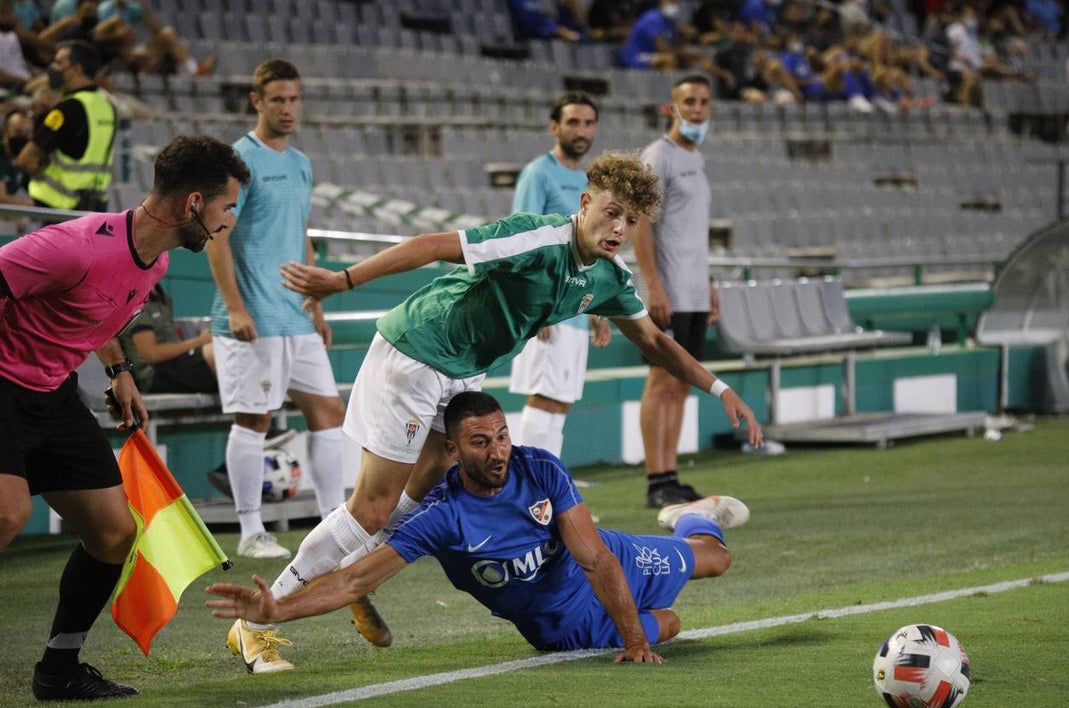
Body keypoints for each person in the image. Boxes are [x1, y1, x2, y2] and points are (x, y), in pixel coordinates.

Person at [221, 150, 764, 674]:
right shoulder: (538, 236)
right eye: (611, 211)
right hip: (417, 349)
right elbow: (434, 244)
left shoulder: (608, 275)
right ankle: (260, 619)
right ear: (585, 201)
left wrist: (718, 388)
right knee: (372, 508)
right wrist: (342, 281)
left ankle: (353, 571)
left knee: (425, 485)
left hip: (463, 369)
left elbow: (655, 343)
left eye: (631, 218)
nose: (619, 226)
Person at [206, 392, 743, 664]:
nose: (498, 451)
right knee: (668, 623)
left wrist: (632, 641)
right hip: (560, 623)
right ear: (453, 450)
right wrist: (280, 608)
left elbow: (597, 559)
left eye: (502, 436)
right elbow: (353, 581)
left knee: (715, 561)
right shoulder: (442, 517)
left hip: (604, 559)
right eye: (481, 442)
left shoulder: (540, 468)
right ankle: (686, 533)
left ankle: (695, 515)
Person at [0, 133, 250, 701]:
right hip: (2, 387)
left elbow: (102, 310)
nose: (227, 219)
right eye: (225, 206)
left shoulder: (154, 259)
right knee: (6, 515)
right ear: (193, 204)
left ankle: (58, 671)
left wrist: (119, 371)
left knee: (114, 532)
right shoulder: (75, 246)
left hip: (54, 396)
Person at [205, 59, 349, 561]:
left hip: (295, 314)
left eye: (294, 99)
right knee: (254, 419)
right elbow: (215, 239)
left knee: (329, 413)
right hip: (252, 318)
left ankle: (335, 527)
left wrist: (316, 302)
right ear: (257, 100)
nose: (288, 109)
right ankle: (251, 530)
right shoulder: (237, 161)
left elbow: (302, 233)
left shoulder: (302, 162)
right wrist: (234, 307)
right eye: (279, 100)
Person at [508, 91, 611, 459]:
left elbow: (589, 248)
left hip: (575, 306)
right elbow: (521, 241)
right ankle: (526, 489)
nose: (582, 130)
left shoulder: (590, 181)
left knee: (562, 401)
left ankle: (546, 490)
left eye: (588, 123)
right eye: (572, 122)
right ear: (555, 127)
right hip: (547, 307)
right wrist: (536, 306)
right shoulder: (538, 174)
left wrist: (596, 308)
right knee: (544, 398)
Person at [634, 75, 719, 510]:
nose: (698, 108)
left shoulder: (696, 159)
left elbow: (692, 234)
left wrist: (708, 284)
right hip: (667, 292)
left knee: (683, 384)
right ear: (673, 106)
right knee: (661, 381)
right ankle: (656, 478)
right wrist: (653, 284)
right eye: (690, 101)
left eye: (705, 101)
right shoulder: (658, 156)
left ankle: (671, 474)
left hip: (693, 293)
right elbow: (641, 222)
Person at [14, 39, 115, 211]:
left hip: (59, 209)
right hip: (94, 209)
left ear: (77, 69)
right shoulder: (107, 106)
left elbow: (26, 159)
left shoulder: (67, 109)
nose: (52, 67)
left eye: (59, 62)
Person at [117, 283, 216, 394]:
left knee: (224, 348)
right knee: (215, 353)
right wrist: (200, 341)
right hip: (155, 374)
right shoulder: (136, 299)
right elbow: (151, 354)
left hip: (178, 362)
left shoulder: (163, 297)